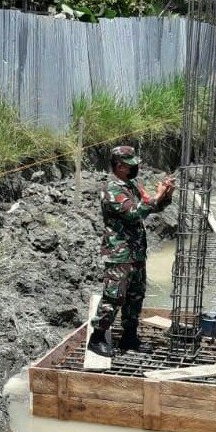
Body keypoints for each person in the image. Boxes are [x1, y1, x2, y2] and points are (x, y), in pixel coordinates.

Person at [87, 145, 175, 358]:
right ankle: (97, 337)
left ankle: (130, 337)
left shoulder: (131, 185)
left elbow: (152, 206)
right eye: (130, 166)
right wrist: (158, 195)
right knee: (114, 296)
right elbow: (136, 214)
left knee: (135, 296)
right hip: (119, 253)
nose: (135, 169)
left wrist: (165, 195)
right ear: (119, 166)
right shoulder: (112, 190)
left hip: (136, 253)